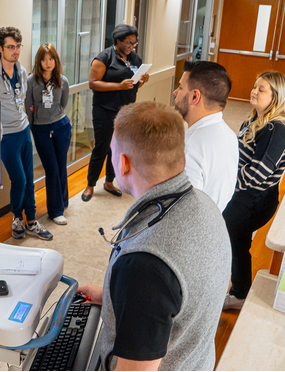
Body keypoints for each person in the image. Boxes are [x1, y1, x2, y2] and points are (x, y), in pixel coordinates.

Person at [77, 101, 231, 370]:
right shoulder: (205, 204)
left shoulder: (144, 264)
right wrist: (115, 297)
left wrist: (136, 290)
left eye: (112, 152)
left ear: (123, 163)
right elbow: (176, 297)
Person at [223, 71, 285, 310]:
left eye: (261, 89)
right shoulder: (254, 120)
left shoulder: (278, 129)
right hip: (243, 195)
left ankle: (238, 292)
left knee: (228, 237)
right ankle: (239, 292)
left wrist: (228, 178)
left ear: (276, 96)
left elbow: (256, 176)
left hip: (254, 200)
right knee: (236, 241)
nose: (254, 91)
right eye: (255, 86)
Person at [0, 26, 52, 240]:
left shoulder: (20, 70)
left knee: (29, 178)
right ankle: (16, 218)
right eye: (11, 47)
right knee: (19, 180)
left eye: (18, 46)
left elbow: (22, 97)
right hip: (6, 136)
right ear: (0, 48)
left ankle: (30, 220)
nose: (16, 51)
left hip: (23, 130)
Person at [81, 24, 149, 202]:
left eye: (134, 43)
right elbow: (93, 83)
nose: (131, 46)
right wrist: (118, 86)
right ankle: (90, 184)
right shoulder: (104, 58)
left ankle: (109, 182)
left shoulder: (134, 58)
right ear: (118, 40)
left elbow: (135, 84)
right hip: (104, 110)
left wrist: (141, 81)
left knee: (117, 149)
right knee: (101, 147)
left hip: (125, 110)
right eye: (127, 42)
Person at [172, 60, 238, 211]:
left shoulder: (190, 146)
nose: (175, 92)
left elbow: (183, 210)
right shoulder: (229, 135)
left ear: (195, 96)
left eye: (181, 87)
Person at [26, 44, 71, 225]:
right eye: (44, 59)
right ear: (39, 61)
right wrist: (32, 127)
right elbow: (29, 107)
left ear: (56, 60)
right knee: (51, 169)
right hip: (41, 128)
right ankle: (55, 211)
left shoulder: (62, 80)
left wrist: (54, 116)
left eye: (51, 59)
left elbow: (63, 103)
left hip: (61, 126)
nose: (48, 63)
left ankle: (62, 201)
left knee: (61, 165)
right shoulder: (31, 81)